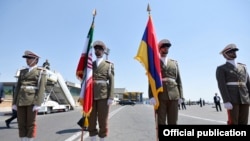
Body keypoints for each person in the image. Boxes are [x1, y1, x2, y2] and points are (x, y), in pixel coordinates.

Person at [12, 50, 47, 141]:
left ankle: (30, 139)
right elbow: (18, 88)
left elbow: (41, 88)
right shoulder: (23, 71)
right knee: (21, 122)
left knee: (30, 123)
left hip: (32, 100)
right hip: (20, 99)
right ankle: (23, 139)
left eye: (29, 58)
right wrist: (14, 102)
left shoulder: (40, 72)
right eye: (26, 58)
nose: (27, 60)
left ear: (35, 60)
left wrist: (38, 103)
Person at [149, 39, 183, 125]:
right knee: (161, 121)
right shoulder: (154, 63)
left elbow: (179, 80)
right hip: (160, 95)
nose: (166, 48)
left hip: (174, 95)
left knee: (173, 121)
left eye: (167, 46)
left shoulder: (174, 63)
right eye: (163, 46)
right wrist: (151, 96)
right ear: (159, 49)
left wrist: (181, 96)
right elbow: (151, 80)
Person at [216, 43, 250, 125]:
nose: (234, 53)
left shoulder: (243, 67)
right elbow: (222, 86)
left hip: (245, 98)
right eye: (231, 51)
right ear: (225, 54)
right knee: (233, 122)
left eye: (234, 51)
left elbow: (248, 83)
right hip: (232, 99)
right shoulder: (221, 68)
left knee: (244, 122)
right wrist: (226, 100)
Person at [88, 40, 114, 141]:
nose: (97, 50)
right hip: (91, 94)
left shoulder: (109, 65)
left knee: (102, 119)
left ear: (103, 51)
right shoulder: (90, 64)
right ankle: (93, 138)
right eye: (96, 49)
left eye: (99, 49)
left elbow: (112, 81)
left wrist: (111, 96)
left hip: (103, 95)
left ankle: (102, 138)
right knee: (91, 118)